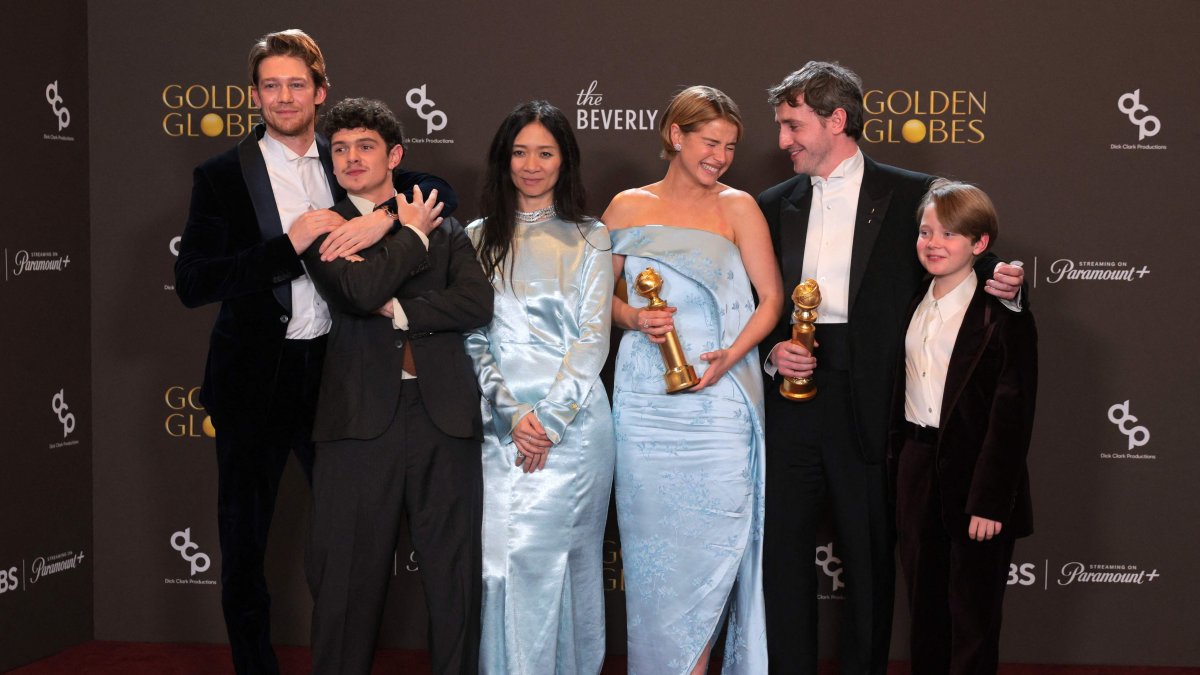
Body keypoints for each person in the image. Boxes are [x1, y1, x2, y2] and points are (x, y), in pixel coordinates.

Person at [173, 29, 455, 675]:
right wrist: (289, 242)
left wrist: (382, 217)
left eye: (297, 83)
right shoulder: (220, 177)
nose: (284, 95)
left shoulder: (347, 159)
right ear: (254, 95)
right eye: (270, 85)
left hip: (337, 378)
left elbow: (442, 191)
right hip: (251, 386)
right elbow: (193, 282)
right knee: (244, 551)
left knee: (345, 545)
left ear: (320, 92)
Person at [756, 61, 1025, 675]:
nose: (782, 142)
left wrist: (1011, 288)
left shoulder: (913, 193)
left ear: (837, 120)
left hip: (874, 403)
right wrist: (773, 350)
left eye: (793, 125)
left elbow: (973, 262)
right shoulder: (770, 204)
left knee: (870, 557)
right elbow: (748, 299)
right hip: (789, 399)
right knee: (783, 557)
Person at [300, 97, 492, 675]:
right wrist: (405, 231)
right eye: (339, 150)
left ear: (395, 156)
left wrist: (403, 308)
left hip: (445, 419)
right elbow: (357, 295)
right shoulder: (320, 228)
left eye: (365, 147)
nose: (352, 158)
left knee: (454, 583)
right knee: (345, 587)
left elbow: (476, 302)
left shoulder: (447, 226)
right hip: (358, 423)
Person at [602, 85, 782, 674]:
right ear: (675, 137)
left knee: (709, 557)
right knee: (656, 557)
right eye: (710, 142)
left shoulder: (739, 208)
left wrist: (731, 355)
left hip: (720, 405)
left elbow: (772, 301)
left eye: (730, 146)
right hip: (645, 403)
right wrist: (634, 316)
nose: (721, 157)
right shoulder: (626, 208)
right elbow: (594, 301)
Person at [464, 100, 615, 675]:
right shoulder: (476, 238)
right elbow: (472, 338)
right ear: (504, 160)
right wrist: (510, 416)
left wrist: (547, 424)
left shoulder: (591, 237)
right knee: (501, 562)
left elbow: (591, 341)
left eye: (544, 152)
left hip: (573, 432)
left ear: (564, 161)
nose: (531, 164)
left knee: (560, 563)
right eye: (520, 152)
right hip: (497, 430)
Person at [891, 180, 1037, 675]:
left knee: (972, 622)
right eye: (926, 231)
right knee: (924, 613)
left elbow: (1013, 411)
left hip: (976, 475)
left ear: (979, 244)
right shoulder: (911, 300)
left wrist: (991, 500)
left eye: (950, 234)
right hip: (914, 467)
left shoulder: (1002, 309)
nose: (933, 243)